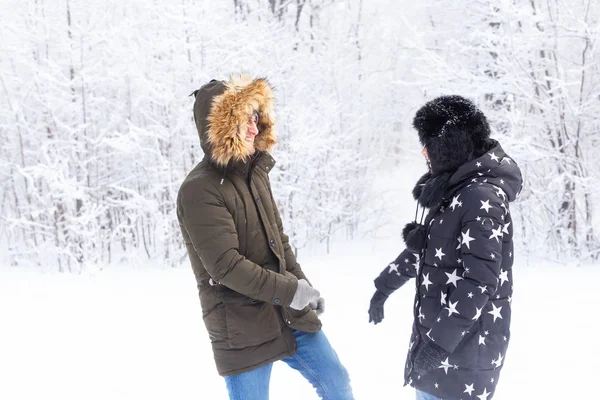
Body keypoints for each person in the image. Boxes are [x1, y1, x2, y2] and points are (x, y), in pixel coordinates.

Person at [177, 75, 354, 400]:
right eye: (246, 122)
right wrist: (291, 291)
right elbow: (226, 267)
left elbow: (279, 242)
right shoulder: (198, 190)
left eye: (256, 120)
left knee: (336, 381)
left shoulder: (255, 174)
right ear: (222, 127)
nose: (255, 130)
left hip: (287, 312)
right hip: (241, 324)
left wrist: (303, 287)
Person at [368, 95, 523, 400]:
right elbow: (430, 250)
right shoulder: (456, 192)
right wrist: (384, 287)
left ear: (448, 144)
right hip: (440, 350)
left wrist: (438, 345)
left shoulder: (480, 198)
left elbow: (479, 281)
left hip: (464, 355)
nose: (423, 151)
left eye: (427, 143)